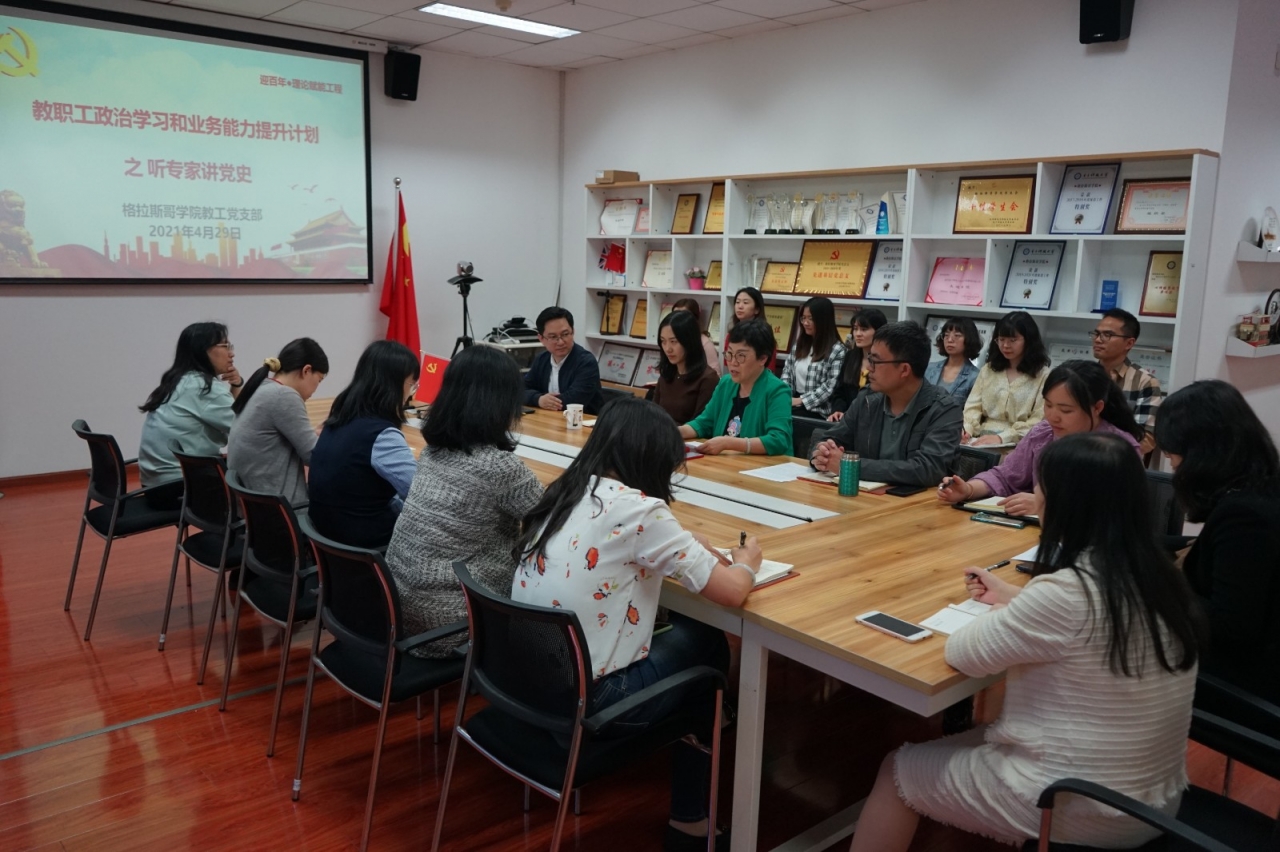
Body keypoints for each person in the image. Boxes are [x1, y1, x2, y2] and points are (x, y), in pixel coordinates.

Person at [849, 432, 1202, 851]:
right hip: (1153, 800)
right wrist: (1015, 599)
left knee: (896, 770)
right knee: (982, 734)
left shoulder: (1066, 592)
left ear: (1064, 504)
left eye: (1041, 490)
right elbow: (1084, 622)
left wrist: (1007, 610)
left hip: (1078, 805)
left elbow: (962, 652)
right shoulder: (1159, 578)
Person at [512, 396, 762, 851]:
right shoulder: (641, 511)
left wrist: (683, 541)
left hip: (529, 684)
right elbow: (732, 591)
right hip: (592, 702)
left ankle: (707, 737)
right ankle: (691, 820)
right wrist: (748, 562)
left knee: (688, 634)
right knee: (708, 649)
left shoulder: (567, 491)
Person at [387, 345, 543, 658]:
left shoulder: (432, 453)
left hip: (399, 610)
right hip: (453, 624)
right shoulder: (499, 468)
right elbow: (558, 517)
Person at [1155, 380, 1280, 703]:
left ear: (1201, 453)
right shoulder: (1260, 489)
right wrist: (1143, 545)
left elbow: (1230, 625)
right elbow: (1215, 551)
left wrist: (1155, 587)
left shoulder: (1245, 515)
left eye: (1172, 455)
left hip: (1243, 682)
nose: (1173, 466)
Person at [938, 360, 1143, 517]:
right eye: (1048, 405)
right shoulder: (1044, 433)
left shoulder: (1119, 448)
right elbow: (1006, 476)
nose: (1053, 416)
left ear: (1097, 407)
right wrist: (969, 490)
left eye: (1066, 410)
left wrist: (1047, 505)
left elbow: (1115, 512)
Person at [810, 322, 961, 487]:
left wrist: (850, 466)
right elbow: (831, 438)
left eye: (875, 361)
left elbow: (927, 469)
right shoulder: (867, 399)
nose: (869, 368)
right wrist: (822, 454)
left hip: (915, 501)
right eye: (869, 359)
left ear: (904, 370)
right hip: (864, 495)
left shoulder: (944, 409)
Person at [307, 340, 420, 549]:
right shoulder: (382, 435)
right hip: (366, 547)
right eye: (411, 385)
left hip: (327, 539)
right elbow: (420, 494)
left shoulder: (337, 419)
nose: (410, 394)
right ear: (393, 385)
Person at [138, 322, 242, 509]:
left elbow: (237, 418)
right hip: (181, 487)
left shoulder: (178, 380)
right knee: (258, 479)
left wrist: (236, 384)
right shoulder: (203, 388)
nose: (231, 353)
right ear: (203, 350)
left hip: (157, 485)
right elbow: (244, 427)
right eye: (225, 346)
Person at [226, 338, 329, 510]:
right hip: (282, 511)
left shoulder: (262, 387)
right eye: (319, 380)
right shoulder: (284, 396)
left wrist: (315, 433)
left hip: (254, 508)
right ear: (306, 370)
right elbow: (314, 457)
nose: (316, 388)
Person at [680, 318, 792, 456]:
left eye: (741, 356)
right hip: (726, 463)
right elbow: (704, 423)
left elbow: (779, 440)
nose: (732, 362)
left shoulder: (777, 390)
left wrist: (729, 443)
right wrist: (677, 431)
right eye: (729, 354)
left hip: (763, 466)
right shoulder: (726, 383)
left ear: (762, 358)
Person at [962, 310, 1051, 447]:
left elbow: (1040, 419)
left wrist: (1002, 437)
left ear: (1029, 341)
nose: (1005, 345)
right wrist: (967, 429)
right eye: (1001, 339)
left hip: (1021, 443)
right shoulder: (989, 369)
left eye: (1013, 340)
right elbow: (973, 407)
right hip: (980, 440)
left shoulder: (1043, 375)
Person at [1092, 308, 1164, 455]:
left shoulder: (1145, 382)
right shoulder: (1083, 376)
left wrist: (1101, 455)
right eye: (1096, 333)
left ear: (1129, 343)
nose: (1098, 340)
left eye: (1107, 335)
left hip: (1119, 460)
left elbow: (1145, 437)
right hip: (1077, 454)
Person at [523, 306, 604, 414]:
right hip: (549, 419)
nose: (560, 342)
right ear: (541, 339)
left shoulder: (586, 362)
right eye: (553, 337)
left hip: (583, 421)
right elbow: (519, 391)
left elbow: (573, 401)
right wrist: (538, 399)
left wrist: (542, 401)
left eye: (565, 334)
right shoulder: (541, 359)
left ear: (573, 332)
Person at [781, 296, 846, 419]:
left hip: (818, 410)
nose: (805, 323)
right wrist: (785, 397)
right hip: (792, 403)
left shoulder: (837, 350)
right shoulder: (799, 345)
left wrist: (800, 400)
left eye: (810, 318)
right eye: (803, 318)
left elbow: (830, 386)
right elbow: (787, 372)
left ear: (823, 320)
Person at [651, 310, 719, 424]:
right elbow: (653, 412)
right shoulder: (668, 373)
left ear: (689, 341)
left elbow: (699, 426)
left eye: (673, 341)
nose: (667, 348)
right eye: (663, 341)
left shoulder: (708, 379)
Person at [827, 307, 888, 419]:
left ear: (879, 331)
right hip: (847, 419)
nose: (858, 334)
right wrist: (838, 411)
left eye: (864, 329)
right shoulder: (850, 356)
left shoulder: (886, 362)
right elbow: (839, 392)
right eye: (855, 329)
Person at [923, 317, 981, 404]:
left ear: (969, 339)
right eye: (946, 335)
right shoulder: (929, 368)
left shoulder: (975, 376)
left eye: (957, 335)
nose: (950, 340)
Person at [725, 287, 774, 369]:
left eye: (745, 302)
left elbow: (769, 367)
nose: (740, 306)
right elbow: (727, 363)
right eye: (737, 302)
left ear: (757, 309)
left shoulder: (763, 335)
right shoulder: (732, 334)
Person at [671, 297, 720, 375]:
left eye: (682, 316)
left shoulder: (704, 343)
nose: (677, 320)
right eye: (674, 315)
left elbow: (715, 374)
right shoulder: (670, 340)